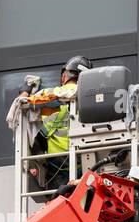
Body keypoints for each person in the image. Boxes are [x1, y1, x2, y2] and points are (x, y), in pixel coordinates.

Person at [15, 55, 92, 191]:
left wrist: (25, 91)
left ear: (65, 75)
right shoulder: (92, 97)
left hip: (58, 164)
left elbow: (22, 103)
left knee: (59, 203)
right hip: (87, 159)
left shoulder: (56, 93)